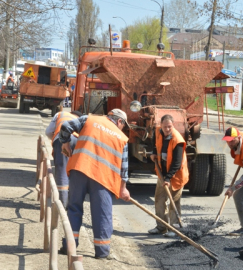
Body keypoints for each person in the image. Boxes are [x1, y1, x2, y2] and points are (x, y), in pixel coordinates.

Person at [59, 109, 131, 259]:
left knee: (74, 208)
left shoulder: (89, 119)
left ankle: (69, 247)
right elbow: (124, 169)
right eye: (124, 125)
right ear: (119, 122)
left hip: (79, 169)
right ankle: (102, 252)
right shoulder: (122, 138)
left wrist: (65, 143)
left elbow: (66, 126)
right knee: (102, 213)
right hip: (102, 178)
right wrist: (123, 189)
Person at [148, 114, 189, 238]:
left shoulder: (178, 141)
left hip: (176, 175)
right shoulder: (158, 132)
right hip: (162, 173)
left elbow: (176, 163)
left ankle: (175, 229)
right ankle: (161, 227)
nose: (167, 129)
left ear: (173, 125)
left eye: (169, 127)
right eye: (165, 127)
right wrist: (154, 154)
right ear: (161, 125)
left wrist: (168, 178)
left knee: (174, 202)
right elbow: (156, 145)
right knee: (159, 199)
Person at [45, 110, 82, 207]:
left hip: (62, 139)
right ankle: (73, 203)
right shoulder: (80, 120)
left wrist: (55, 139)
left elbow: (48, 132)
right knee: (74, 172)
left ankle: (62, 204)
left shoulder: (59, 114)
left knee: (62, 171)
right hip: (78, 141)